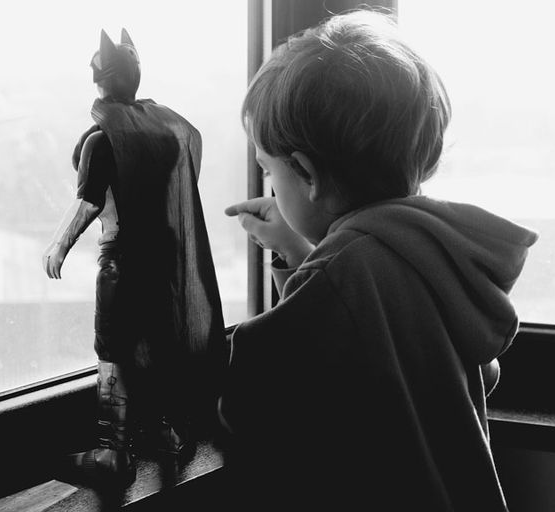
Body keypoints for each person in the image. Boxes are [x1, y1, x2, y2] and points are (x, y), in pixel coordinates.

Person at [219, 10, 537, 510]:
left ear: (306, 173)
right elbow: (480, 371)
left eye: (268, 171)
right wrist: (299, 252)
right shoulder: (428, 246)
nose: (269, 187)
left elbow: (253, 401)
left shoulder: (343, 271)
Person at [43, 29, 226, 485]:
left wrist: (59, 244)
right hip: (163, 255)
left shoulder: (102, 140)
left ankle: (113, 451)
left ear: (101, 78)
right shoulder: (165, 129)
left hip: (121, 258)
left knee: (113, 348)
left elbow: (89, 202)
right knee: (160, 342)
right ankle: (166, 430)